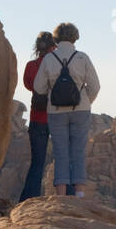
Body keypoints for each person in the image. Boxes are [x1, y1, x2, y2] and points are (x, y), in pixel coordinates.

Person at [33, 22, 100, 197]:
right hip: (81, 110)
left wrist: (52, 91)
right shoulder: (82, 57)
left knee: (60, 151)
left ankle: (61, 195)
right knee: (78, 150)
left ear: (56, 37)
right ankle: (79, 195)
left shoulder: (49, 59)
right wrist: (85, 101)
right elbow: (95, 86)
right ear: (74, 37)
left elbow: (38, 87)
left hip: (56, 111)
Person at [19, 32, 56, 201]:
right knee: (63, 159)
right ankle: (66, 198)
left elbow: (28, 85)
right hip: (57, 118)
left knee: (37, 162)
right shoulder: (57, 65)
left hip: (37, 118)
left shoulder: (31, 65)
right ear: (53, 46)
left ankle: (29, 199)